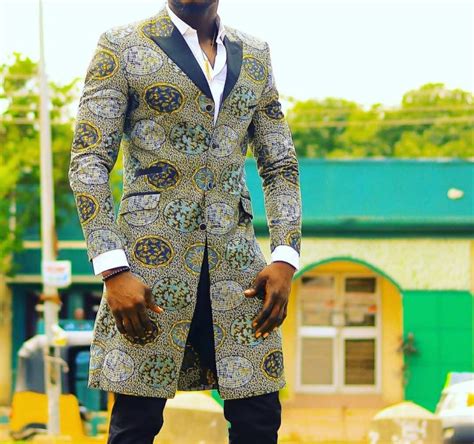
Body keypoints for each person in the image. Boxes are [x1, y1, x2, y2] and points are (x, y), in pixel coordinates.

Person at [68, 0, 302, 442]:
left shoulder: (255, 54)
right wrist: (113, 269)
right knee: (136, 423)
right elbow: (89, 161)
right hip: (148, 269)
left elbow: (280, 165)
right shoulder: (121, 45)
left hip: (239, 271)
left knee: (259, 418)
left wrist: (285, 257)